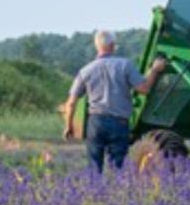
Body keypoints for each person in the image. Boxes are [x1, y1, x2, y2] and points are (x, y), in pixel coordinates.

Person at [63, 30, 166, 173]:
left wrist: (68, 125)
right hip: (119, 122)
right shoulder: (125, 65)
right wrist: (154, 70)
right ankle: (118, 193)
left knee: (94, 168)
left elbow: (71, 103)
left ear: (96, 46)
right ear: (112, 45)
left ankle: (95, 193)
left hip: (96, 123)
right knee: (119, 168)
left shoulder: (85, 71)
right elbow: (144, 88)